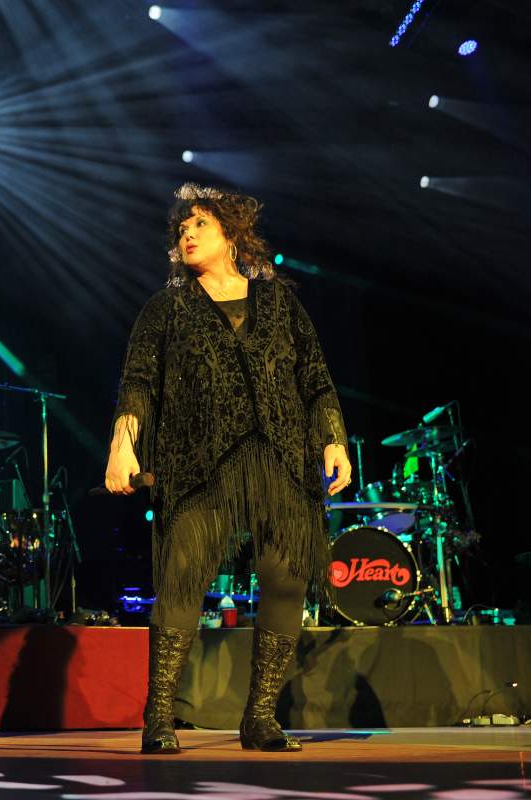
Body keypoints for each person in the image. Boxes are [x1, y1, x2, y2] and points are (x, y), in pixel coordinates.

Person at [104, 183, 351, 754]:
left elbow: (315, 378)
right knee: (182, 580)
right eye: (180, 230)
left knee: (286, 580)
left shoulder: (279, 303)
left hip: (281, 457)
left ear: (232, 236)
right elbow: (139, 381)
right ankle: (159, 716)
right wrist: (123, 442)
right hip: (198, 461)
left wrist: (333, 439)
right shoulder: (165, 308)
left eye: (199, 225)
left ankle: (260, 718)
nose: (186, 235)